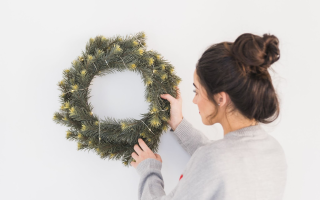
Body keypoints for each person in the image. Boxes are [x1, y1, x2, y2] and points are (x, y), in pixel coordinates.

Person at [133, 33, 287, 200]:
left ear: (220, 98)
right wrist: (178, 123)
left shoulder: (214, 160)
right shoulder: (273, 150)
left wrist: (149, 170)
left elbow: (214, 161)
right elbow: (221, 159)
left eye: (197, 91)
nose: (194, 100)